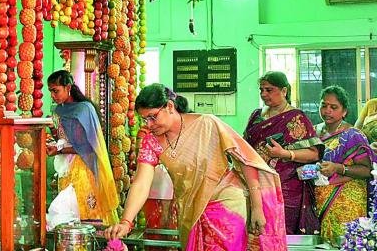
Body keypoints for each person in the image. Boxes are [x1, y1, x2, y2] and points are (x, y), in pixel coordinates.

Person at [106, 83, 287, 251]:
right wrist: (126, 222)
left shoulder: (207, 124)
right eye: (144, 119)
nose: (149, 125)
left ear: (169, 106)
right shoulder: (151, 141)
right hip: (190, 212)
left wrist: (257, 207)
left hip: (226, 206)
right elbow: (141, 183)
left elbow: (246, 160)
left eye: (153, 117)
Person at [244, 71, 323, 235]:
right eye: (261, 90)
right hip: (255, 184)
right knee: (256, 233)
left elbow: (314, 153)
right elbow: (246, 145)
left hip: (286, 187)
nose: (264, 94)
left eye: (269, 89)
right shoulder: (256, 116)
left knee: (281, 232)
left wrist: (285, 154)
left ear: (284, 91)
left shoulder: (296, 117)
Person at [46, 70, 119, 225]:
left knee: (85, 212)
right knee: (68, 217)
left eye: (55, 90)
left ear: (68, 87)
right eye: (50, 91)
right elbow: (64, 139)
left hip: (84, 167)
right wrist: (52, 134)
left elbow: (85, 145)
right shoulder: (58, 110)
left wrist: (59, 150)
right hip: (66, 167)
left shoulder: (84, 109)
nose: (52, 95)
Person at [313, 85, 375, 244]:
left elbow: (366, 170)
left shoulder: (353, 135)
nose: (327, 111)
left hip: (346, 200)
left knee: (345, 242)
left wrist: (338, 168)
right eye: (324, 105)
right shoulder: (313, 132)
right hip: (318, 196)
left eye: (334, 107)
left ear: (344, 111)